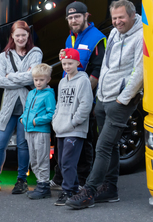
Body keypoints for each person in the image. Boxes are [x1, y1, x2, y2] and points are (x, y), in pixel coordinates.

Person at [66, 0, 143, 209]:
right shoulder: (114, 33)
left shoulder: (141, 36)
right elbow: (106, 67)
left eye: (121, 17)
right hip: (104, 97)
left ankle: (89, 191)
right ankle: (110, 188)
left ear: (133, 15)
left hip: (121, 100)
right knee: (111, 145)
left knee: (103, 146)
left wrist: (123, 98)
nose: (117, 22)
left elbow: (140, 72)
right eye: (114, 18)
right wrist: (99, 94)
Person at [0, 20, 42, 194]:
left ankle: (22, 180)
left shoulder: (35, 53)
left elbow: (33, 78)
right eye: (17, 35)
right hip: (8, 107)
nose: (20, 38)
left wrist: (10, 76)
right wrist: (21, 76)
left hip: (27, 105)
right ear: (12, 36)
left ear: (28, 36)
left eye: (23, 35)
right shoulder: (4, 55)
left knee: (22, 144)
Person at [51, 1, 107, 190]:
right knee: (64, 141)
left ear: (86, 16)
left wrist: (83, 95)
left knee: (85, 141)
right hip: (69, 97)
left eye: (77, 16)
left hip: (87, 98)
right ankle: (64, 179)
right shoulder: (70, 39)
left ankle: (83, 180)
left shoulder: (97, 38)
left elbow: (98, 70)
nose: (73, 20)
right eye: (70, 17)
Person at [49, 50, 93, 205]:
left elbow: (85, 105)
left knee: (68, 161)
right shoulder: (62, 82)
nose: (67, 67)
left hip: (75, 129)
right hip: (61, 128)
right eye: (64, 64)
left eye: (70, 63)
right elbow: (59, 104)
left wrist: (74, 122)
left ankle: (68, 191)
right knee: (61, 162)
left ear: (77, 63)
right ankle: (73, 189)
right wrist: (55, 120)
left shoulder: (83, 80)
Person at [18, 63, 56, 200]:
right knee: (33, 159)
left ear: (48, 80)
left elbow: (52, 113)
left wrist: (36, 121)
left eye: (41, 80)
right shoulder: (31, 93)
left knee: (42, 159)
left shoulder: (48, 95)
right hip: (29, 131)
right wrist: (23, 118)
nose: (38, 82)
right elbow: (27, 109)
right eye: (36, 80)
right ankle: (41, 184)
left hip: (40, 131)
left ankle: (44, 186)